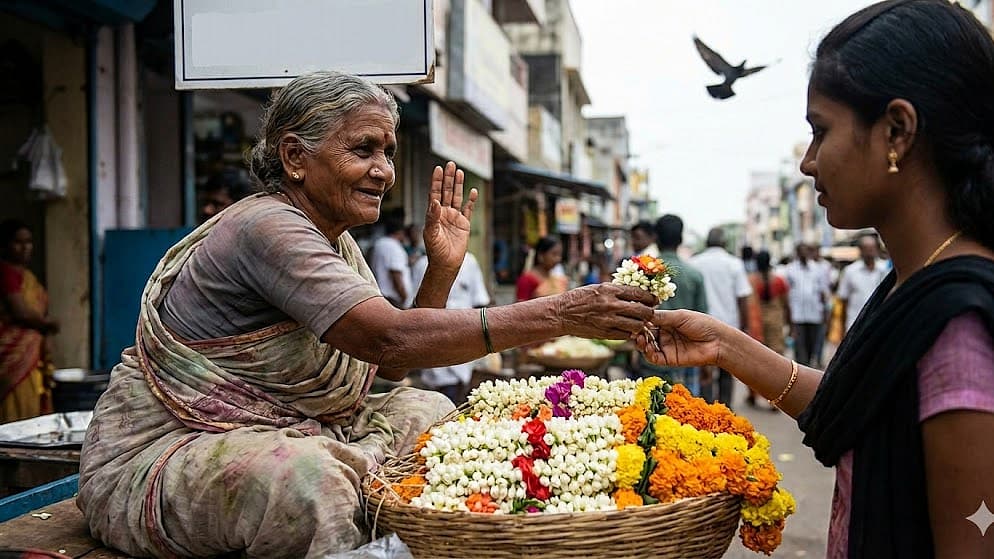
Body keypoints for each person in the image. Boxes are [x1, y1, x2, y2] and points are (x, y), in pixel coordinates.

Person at [77, 71, 657, 559]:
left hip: (283, 430)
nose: (383, 170)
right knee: (312, 481)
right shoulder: (267, 227)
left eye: (388, 154)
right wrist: (561, 312)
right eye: (362, 150)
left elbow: (390, 372)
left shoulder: (335, 242)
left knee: (431, 410)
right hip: (162, 453)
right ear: (296, 158)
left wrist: (441, 268)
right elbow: (390, 342)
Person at [637, 2, 994, 557]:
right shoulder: (916, 279)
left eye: (820, 131)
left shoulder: (960, 322)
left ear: (896, 130)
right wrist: (723, 344)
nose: (807, 162)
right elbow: (856, 407)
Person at [636, 215, 708, 395]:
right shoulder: (694, 275)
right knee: (685, 412)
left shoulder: (641, 272)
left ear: (655, 238)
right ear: (681, 239)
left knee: (650, 411)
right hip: (687, 358)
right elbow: (703, 318)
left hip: (650, 354)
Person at [411, 251, 491, 403]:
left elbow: (480, 299)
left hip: (464, 330)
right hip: (432, 332)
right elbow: (413, 304)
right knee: (437, 383)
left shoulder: (469, 261)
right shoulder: (422, 264)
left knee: (460, 382)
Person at [0, 219, 57, 423]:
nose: (25, 248)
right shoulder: (5, 272)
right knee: (15, 409)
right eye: (18, 242)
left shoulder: (28, 277)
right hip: (11, 354)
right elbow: (20, 312)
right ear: (5, 245)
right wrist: (48, 324)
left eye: (29, 242)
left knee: (30, 406)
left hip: (31, 354)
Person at [689, 227, 751, 408]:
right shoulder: (734, 264)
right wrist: (745, 328)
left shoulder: (695, 263)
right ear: (724, 243)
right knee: (727, 372)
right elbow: (743, 298)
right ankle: (725, 412)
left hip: (699, 327)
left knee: (704, 371)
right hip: (729, 327)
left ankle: (707, 412)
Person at [745, 250, 791, 409]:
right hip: (775, 323)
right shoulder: (778, 280)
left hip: (755, 322)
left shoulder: (751, 280)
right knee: (777, 362)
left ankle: (753, 394)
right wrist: (790, 324)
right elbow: (786, 304)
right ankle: (776, 399)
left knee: (754, 359)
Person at [784, 243, 829, 367]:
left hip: (815, 314)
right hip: (797, 315)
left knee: (812, 344)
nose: (804, 254)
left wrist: (825, 312)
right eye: (801, 251)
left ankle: (809, 365)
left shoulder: (818, 269)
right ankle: (801, 369)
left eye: (806, 251)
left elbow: (823, 292)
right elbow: (787, 293)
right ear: (797, 253)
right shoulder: (790, 270)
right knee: (799, 346)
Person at [837, 234, 889, 334]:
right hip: (855, 324)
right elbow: (844, 300)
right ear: (860, 250)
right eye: (866, 249)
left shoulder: (885, 269)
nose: (869, 252)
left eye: (872, 248)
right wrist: (842, 326)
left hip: (879, 323)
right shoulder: (850, 271)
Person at [371, 215, 412, 308]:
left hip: (380, 296)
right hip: (394, 300)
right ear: (400, 232)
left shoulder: (379, 243)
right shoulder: (394, 247)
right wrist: (404, 298)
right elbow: (395, 273)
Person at [516, 235, 569, 301]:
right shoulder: (527, 279)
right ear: (541, 255)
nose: (558, 259)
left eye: (559, 255)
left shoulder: (559, 279)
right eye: (554, 254)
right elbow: (519, 308)